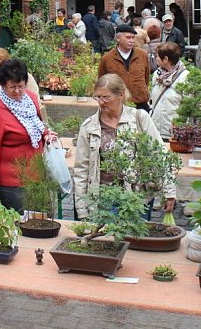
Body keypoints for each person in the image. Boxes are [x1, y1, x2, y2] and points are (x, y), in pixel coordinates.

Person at [73, 74, 176, 219]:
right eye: (97, 97)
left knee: (136, 240)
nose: (101, 102)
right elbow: (81, 171)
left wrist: (169, 192)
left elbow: (159, 155)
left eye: (106, 97)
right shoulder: (89, 127)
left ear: (121, 95)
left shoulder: (139, 118)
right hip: (103, 199)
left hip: (137, 197)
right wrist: (82, 210)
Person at [0, 59, 51, 212]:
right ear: (3, 85)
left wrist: (46, 134)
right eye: (12, 87)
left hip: (36, 173)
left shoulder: (31, 99)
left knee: (41, 218)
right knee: (21, 224)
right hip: (12, 181)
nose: (17, 91)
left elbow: (36, 125)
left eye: (20, 86)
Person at [98, 24, 151, 111]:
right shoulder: (107, 59)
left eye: (133, 38)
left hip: (140, 104)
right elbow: (102, 81)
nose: (131, 41)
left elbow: (146, 78)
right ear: (118, 38)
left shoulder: (142, 55)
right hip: (118, 105)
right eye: (128, 37)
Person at [148, 42, 189, 140]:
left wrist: (184, 128)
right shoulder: (156, 75)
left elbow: (188, 107)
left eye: (157, 56)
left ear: (165, 59)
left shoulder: (185, 77)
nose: (155, 59)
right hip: (156, 130)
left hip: (175, 133)